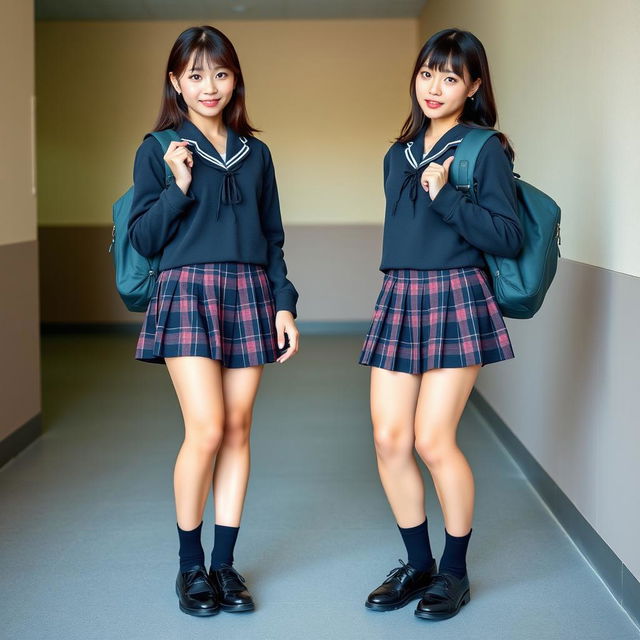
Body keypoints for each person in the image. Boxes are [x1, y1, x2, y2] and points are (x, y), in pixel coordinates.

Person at [128, 25, 299, 617]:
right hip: (186, 293)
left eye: (220, 74)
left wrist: (284, 302)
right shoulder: (158, 148)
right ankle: (189, 566)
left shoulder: (258, 154)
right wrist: (176, 187)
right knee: (204, 427)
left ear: (235, 80)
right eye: (196, 75)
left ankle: (225, 565)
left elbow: (273, 238)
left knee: (238, 428)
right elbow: (145, 238)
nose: (209, 86)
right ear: (175, 81)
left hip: (249, 291)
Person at [359, 28, 523, 621]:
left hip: (458, 297)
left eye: (451, 77)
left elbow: (508, 235)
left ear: (473, 86)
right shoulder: (394, 155)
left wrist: (446, 194)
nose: (435, 86)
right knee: (388, 438)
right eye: (428, 72)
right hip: (401, 296)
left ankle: (454, 572)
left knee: (433, 438)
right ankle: (418, 564)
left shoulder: (483, 150)